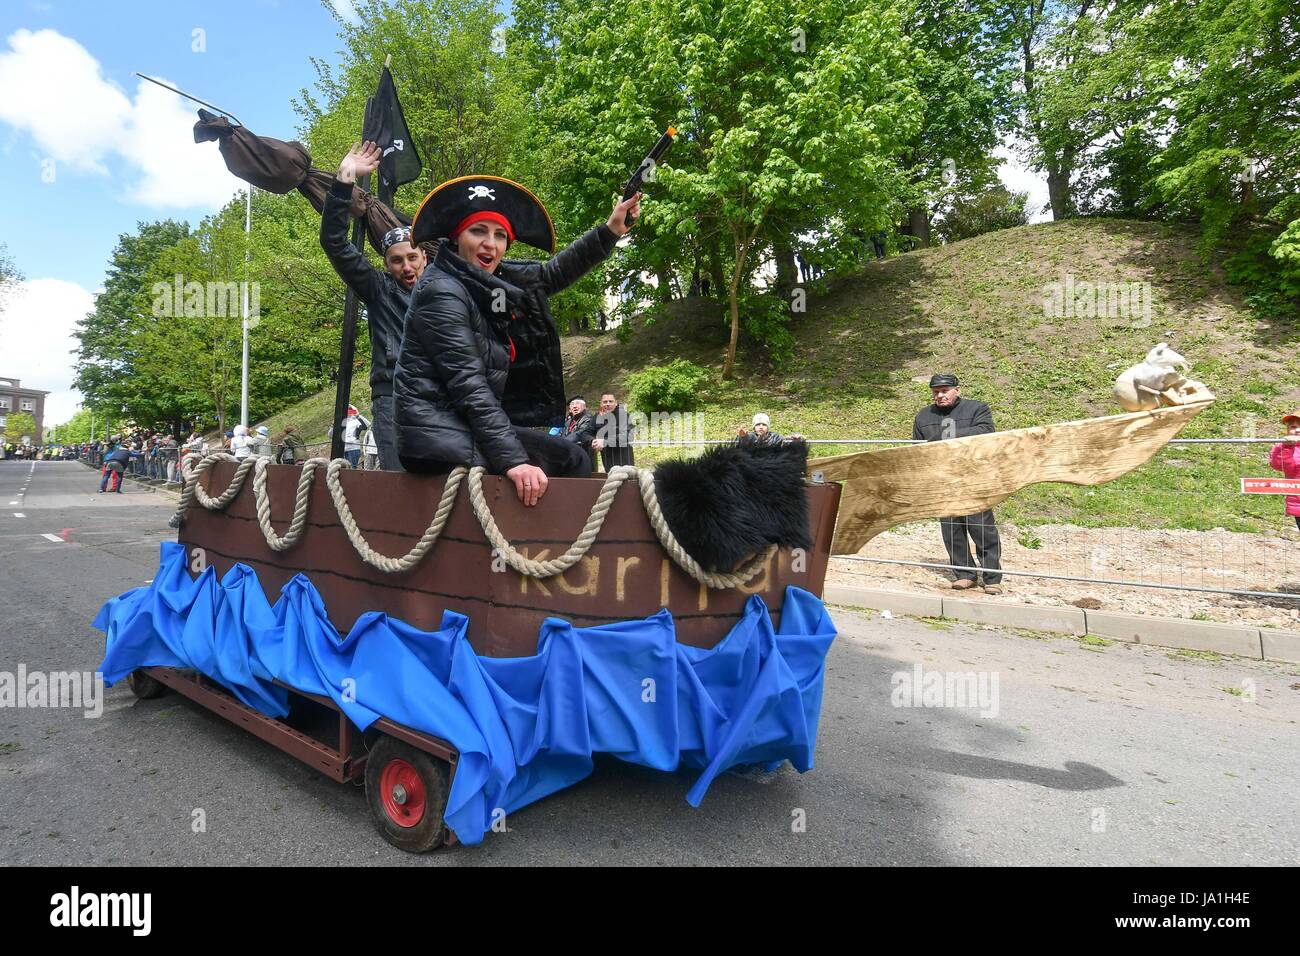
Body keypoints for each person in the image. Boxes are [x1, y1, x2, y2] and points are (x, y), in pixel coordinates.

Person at [395, 172, 638, 505]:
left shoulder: (490, 282)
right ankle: (542, 548)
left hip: (460, 426)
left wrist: (610, 232)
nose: (490, 244)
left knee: (572, 455)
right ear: (455, 238)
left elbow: (551, 274)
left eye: (500, 235)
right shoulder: (441, 290)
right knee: (571, 460)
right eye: (478, 231)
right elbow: (469, 385)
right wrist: (514, 461)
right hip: (434, 434)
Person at [321, 142, 427, 472]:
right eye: (397, 260)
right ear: (386, 263)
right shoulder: (379, 288)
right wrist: (344, 180)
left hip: (439, 399)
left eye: (412, 257)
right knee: (402, 482)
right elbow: (334, 242)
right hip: (393, 398)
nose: (406, 267)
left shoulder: (446, 291)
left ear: (424, 257)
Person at [912, 373, 1004, 594]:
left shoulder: (977, 409)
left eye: (945, 391)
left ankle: (992, 578)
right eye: (936, 392)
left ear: (957, 390)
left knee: (982, 529)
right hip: (943, 480)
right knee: (952, 530)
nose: (940, 395)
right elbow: (917, 448)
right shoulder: (923, 416)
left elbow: (986, 432)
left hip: (974, 477)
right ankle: (964, 574)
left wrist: (944, 437)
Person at [1268, 410, 1300, 532]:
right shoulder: (1282, 446)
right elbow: (1279, 465)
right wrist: (1287, 447)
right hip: (1298, 502)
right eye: (1293, 427)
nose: (1297, 430)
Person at [591, 392, 636, 471]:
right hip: (607, 461)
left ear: (616, 403)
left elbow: (628, 435)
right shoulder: (597, 417)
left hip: (624, 461)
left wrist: (605, 442)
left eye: (610, 401)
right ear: (601, 404)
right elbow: (587, 432)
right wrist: (593, 441)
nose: (608, 404)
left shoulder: (623, 415)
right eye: (605, 402)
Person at [561, 396, 597, 471]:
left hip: (585, 456)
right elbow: (562, 435)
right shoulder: (567, 422)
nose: (575, 406)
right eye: (572, 404)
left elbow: (580, 433)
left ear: (584, 407)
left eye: (578, 403)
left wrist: (562, 443)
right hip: (570, 457)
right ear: (570, 409)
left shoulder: (589, 419)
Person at [737, 412, 802, 447]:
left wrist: (792, 439)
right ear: (754, 427)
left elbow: (784, 442)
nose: (761, 427)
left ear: (768, 428)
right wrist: (743, 437)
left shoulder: (775, 437)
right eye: (758, 425)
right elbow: (743, 446)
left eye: (764, 425)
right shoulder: (750, 436)